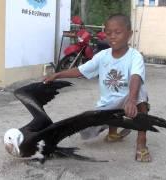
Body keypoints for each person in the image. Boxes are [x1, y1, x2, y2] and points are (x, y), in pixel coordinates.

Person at [44, 13, 151, 162]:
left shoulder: (135, 56)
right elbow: (81, 70)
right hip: (109, 102)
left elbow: (136, 77)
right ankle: (112, 132)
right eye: (108, 33)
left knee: (141, 96)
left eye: (118, 32)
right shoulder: (102, 56)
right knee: (87, 129)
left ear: (129, 34)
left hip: (129, 97)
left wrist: (132, 100)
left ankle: (141, 141)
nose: (112, 36)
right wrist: (58, 75)